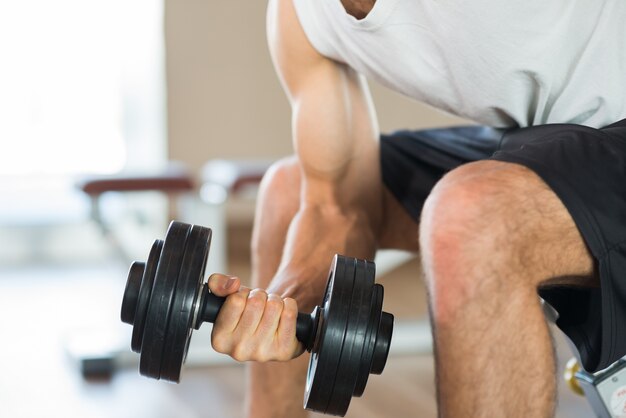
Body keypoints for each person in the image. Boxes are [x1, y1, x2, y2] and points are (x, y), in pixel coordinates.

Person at [207, 0, 626, 416]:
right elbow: (338, 208)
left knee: (469, 215)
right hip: (547, 135)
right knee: (290, 190)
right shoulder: (300, 14)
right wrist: (277, 306)